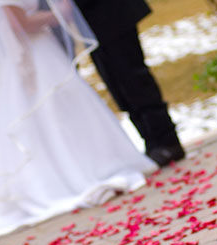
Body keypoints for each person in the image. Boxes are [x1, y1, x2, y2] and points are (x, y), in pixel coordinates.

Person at [0, 0, 157, 245]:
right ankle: (68, 176)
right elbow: (19, 24)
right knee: (49, 114)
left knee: (67, 113)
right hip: (34, 53)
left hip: (44, 48)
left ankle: (85, 165)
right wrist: (56, 15)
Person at [74, 0, 185, 166]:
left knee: (133, 77)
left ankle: (167, 141)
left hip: (112, 13)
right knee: (117, 85)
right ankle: (151, 141)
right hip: (92, 24)